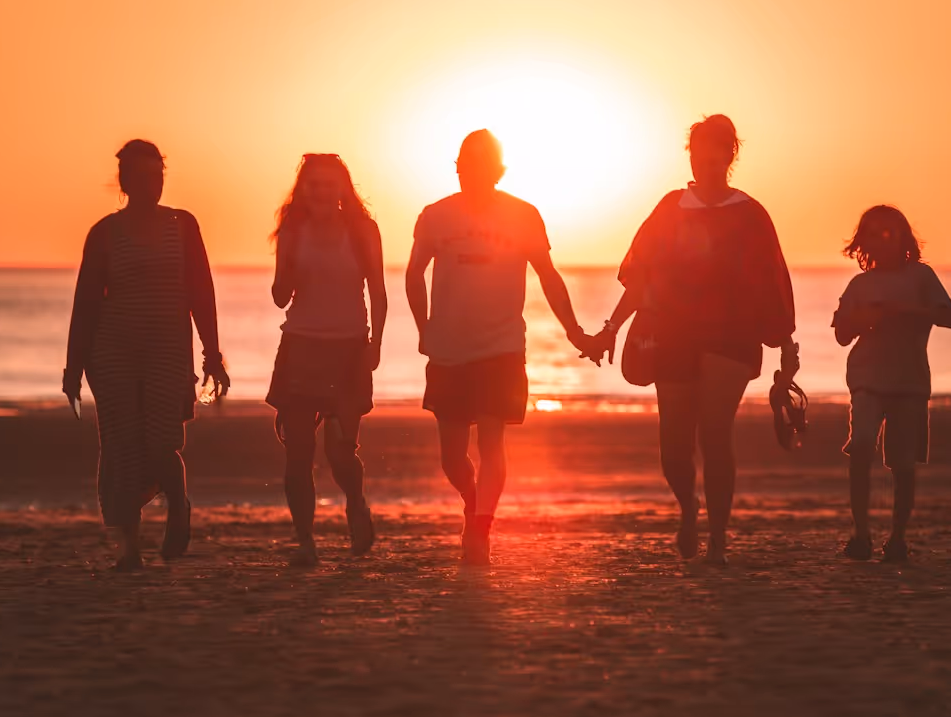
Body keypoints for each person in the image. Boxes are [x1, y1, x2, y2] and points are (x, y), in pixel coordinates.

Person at [593, 115, 797, 566]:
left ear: (731, 154)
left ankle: (718, 540)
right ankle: (689, 509)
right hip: (673, 333)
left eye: (716, 149)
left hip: (733, 336)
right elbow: (641, 276)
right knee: (674, 443)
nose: (706, 158)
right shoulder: (671, 209)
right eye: (698, 149)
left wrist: (785, 344)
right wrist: (611, 327)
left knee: (715, 431)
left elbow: (773, 282)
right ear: (689, 153)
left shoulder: (750, 214)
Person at [406, 129, 599, 565]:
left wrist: (574, 331)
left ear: (497, 171)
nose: (471, 173)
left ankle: (480, 527)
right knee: (452, 458)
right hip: (449, 350)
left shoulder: (522, 215)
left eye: (480, 165)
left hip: (502, 347)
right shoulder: (436, 216)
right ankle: (473, 502)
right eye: (464, 165)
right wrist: (425, 328)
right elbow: (414, 273)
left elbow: (548, 276)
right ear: (457, 168)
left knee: (492, 443)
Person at [63, 139, 229, 571]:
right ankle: (129, 550)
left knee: (161, 442)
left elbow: (201, 292)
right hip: (113, 353)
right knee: (121, 448)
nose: (151, 184)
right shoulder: (104, 233)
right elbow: (86, 303)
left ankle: (178, 504)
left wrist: (213, 355)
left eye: (157, 176)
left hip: (168, 351)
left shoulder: (183, 225)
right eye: (141, 176)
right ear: (124, 181)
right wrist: (73, 367)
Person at [266, 154, 387, 566]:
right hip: (300, 347)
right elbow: (280, 295)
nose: (321, 192)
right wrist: (290, 268)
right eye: (313, 185)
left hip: (349, 349)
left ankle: (356, 505)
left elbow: (378, 290)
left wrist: (376, 343)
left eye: (329, 184)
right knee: (298, 453)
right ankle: (306, 543)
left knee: (339, 450)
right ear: (303, 190)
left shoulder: (362, 230)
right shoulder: (293, 231)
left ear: (342, 189)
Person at [832, 205, 951, 563]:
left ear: (904, 238)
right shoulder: (860, 284)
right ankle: (860, 534)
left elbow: (950, 318)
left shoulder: (921, 277)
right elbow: (842, 334)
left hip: (909, 381)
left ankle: (898, 538)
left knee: (903, 464)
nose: (882, 241)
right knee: (859, 448)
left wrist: (910, 311)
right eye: (874, 234)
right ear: (864, 243)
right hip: (867, 377)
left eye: (889, 233)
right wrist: (868, 318)